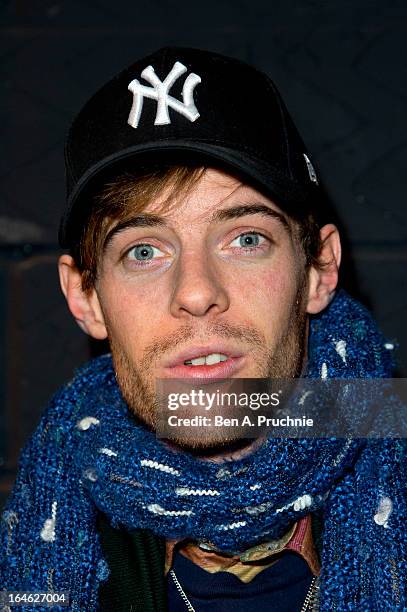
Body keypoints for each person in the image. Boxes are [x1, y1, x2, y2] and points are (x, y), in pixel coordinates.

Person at [0, 47, 405, 612]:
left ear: (319, 270)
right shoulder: (39, 540)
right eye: (144, 250)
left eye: (245, 239)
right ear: (85, 297)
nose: (196, 292)